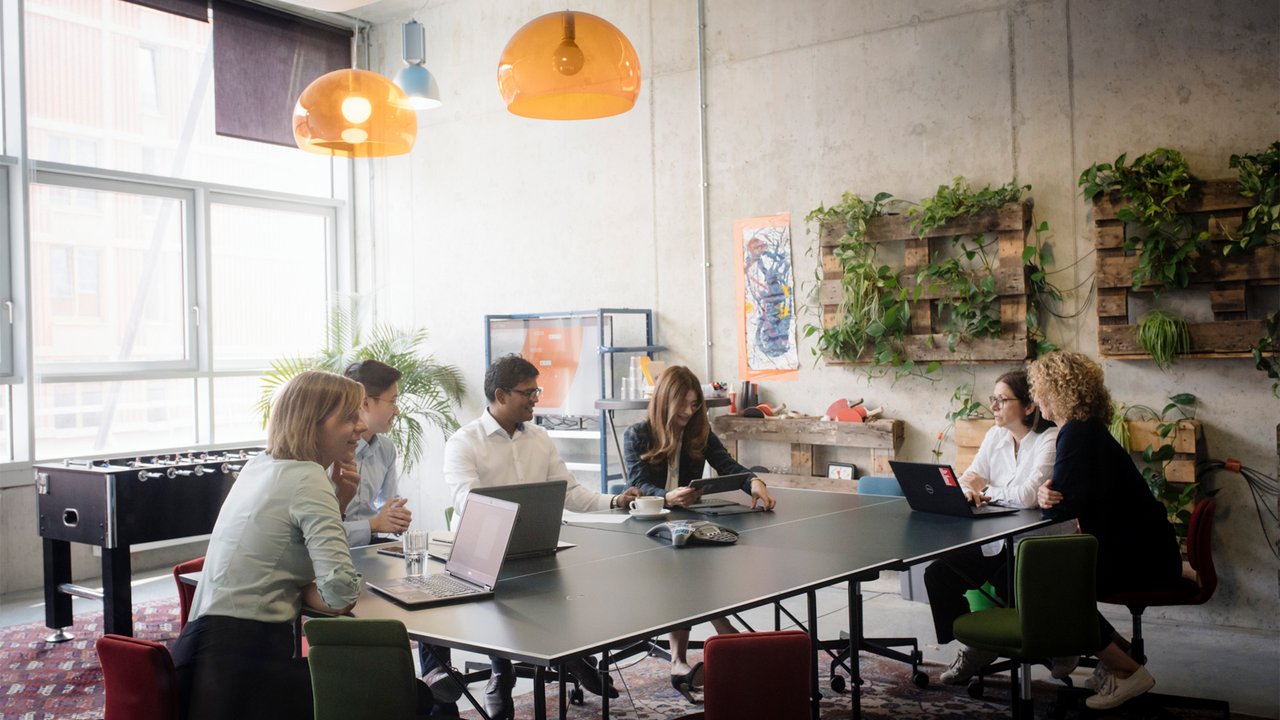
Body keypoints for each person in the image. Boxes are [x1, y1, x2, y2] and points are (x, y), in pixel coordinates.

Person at [443, 353, 644, 720]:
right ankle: (502, 674)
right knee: (502, 595)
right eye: (528, 392)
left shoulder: (540, 438)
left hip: (537, 544)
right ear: (501, 395)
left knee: (573, 587)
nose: (537, 398)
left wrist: (615, 499)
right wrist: (511, 513)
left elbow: (570, 493)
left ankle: (572, 655)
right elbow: (468, 503)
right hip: (482, 552)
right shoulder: (463, 442)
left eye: (538, 390)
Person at [171, 370, 367, 720]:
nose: (362, 427)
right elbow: (338, 594)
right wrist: (307, 590)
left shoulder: (260, 466)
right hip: (243, 666)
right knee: (406, 693)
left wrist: (338, 502)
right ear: (313, 423)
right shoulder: (308, 478)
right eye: (349, 418)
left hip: (198, 656)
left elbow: (284, 554)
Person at [1029, 351, 1182, 710]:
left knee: (1047, 582)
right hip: (1148, 552)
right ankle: (1122, 654)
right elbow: (1063, 493)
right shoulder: (1085, 432)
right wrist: (1046, 494)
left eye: (1038, 389)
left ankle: (1127, 670)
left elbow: (1064, 504)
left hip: (1142, 560)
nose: (1036, 398)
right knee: (1055, 577)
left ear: (1057, 391)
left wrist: (1047, 497)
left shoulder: (1077, 434)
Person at [622, 365, 777, 701]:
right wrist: (667, 496)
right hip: (646, 527)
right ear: (665, 400)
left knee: (692, 568)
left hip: (685, 524)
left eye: (694, 405)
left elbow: (729, 466)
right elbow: (637, 484)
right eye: (684, 404)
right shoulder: (637, 434)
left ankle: (684, 661)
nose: (689, 412)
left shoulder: (698, 432)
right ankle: (725, 638)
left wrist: (755, 482)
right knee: (687, 572)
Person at [924, 369, 1060, 685]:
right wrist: (968, 489)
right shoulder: (995, 436)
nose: (994, 407)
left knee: (1008, 584)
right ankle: (976, 646)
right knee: (938, 575)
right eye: (993, 399)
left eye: (1002, 399)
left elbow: (1027, 496)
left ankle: (1050, 645)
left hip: (1030, 546)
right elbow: (971, 475)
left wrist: (985, 492)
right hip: (992, 538)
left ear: (1028, 407)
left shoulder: (1049, 439)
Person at [339, 359, 413, 546]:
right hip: (334, 551)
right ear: (365, 403)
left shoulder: (386, 449)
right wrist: (375, 524)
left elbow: (388, 501)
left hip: (371, 546)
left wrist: (396, 515)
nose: (397, 411)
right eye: (393, 401)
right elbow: (321, 533)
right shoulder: (329, 452)